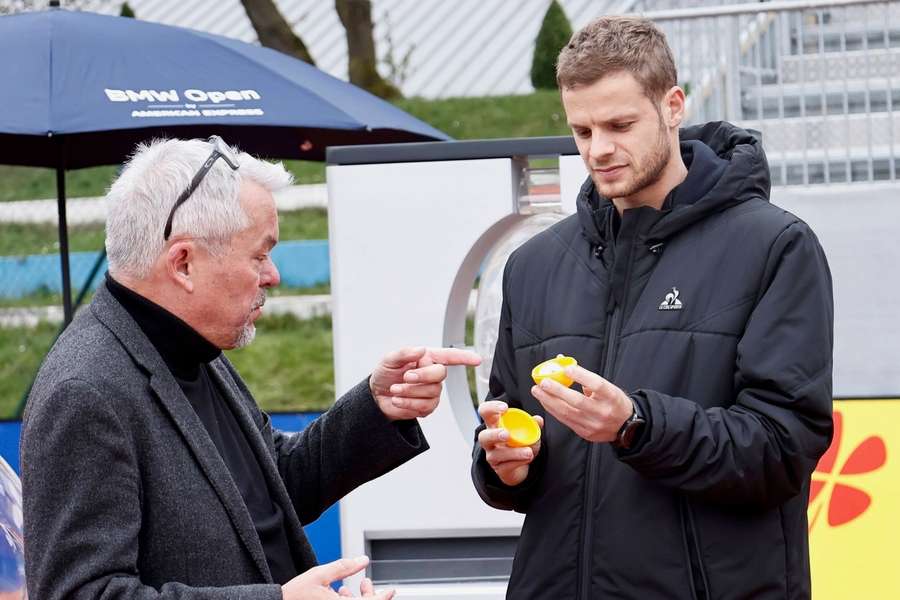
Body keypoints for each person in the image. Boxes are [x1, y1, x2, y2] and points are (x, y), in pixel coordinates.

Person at [21, 136, 481, 600]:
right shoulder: (84, 392)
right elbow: (81, 594)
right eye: (259, 254)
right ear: (183, 263)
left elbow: (272, 485)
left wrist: (379, 407)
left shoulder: (189, 343)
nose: (273, 275)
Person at [471, 16, 833, 600]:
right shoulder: (533, 266)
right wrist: (506, 466)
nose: (599, 149)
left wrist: (637, 427)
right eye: (582, 130)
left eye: (620, 124)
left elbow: (782, 450)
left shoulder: (775, 246)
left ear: (672, 106)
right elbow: (513, 435)